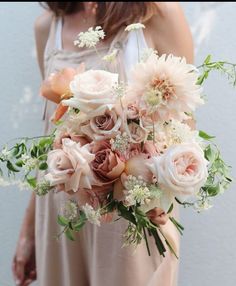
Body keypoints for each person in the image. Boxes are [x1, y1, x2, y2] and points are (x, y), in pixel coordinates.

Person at [12, 2, 194, 286]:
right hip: (62, 219)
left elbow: (186, 132)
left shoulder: (158, 14)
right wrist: (27, 232)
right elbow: (52, 138)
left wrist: (162, 200)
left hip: (130, 221)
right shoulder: (48, 27)